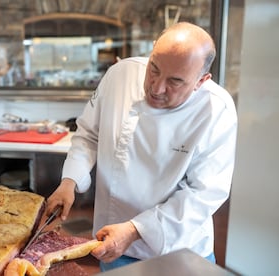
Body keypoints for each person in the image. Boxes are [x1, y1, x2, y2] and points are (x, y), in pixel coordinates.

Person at [45, 22, 238, 271]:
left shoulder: (217, 110)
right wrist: (69, 182)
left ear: (202, 80)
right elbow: (89, 135)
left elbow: (202, 194)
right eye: (154, 69)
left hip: (177, 250)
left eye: (175, 81)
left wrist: (136, 230)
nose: (156, 88)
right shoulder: (119, 76)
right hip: (112, 244)